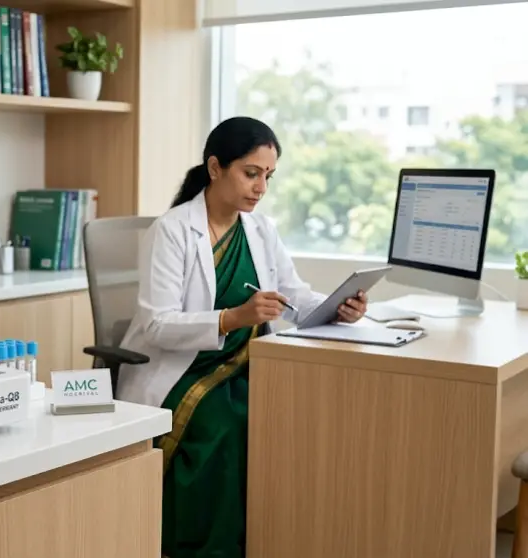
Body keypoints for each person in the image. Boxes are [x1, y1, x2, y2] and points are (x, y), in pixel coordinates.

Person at [117, 116, 368, 558]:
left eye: (268, 176)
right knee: (230, 426)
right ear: (215, 168)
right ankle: (203, 547)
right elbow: (157, 324)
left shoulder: (260, 230)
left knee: (294, 415)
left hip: (248, 362)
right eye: (251, 173)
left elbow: (293, 296)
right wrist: (232, 318)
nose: (261, 188)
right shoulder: (172, 231)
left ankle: (271, 539)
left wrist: (339, 309)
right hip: (183, 371)